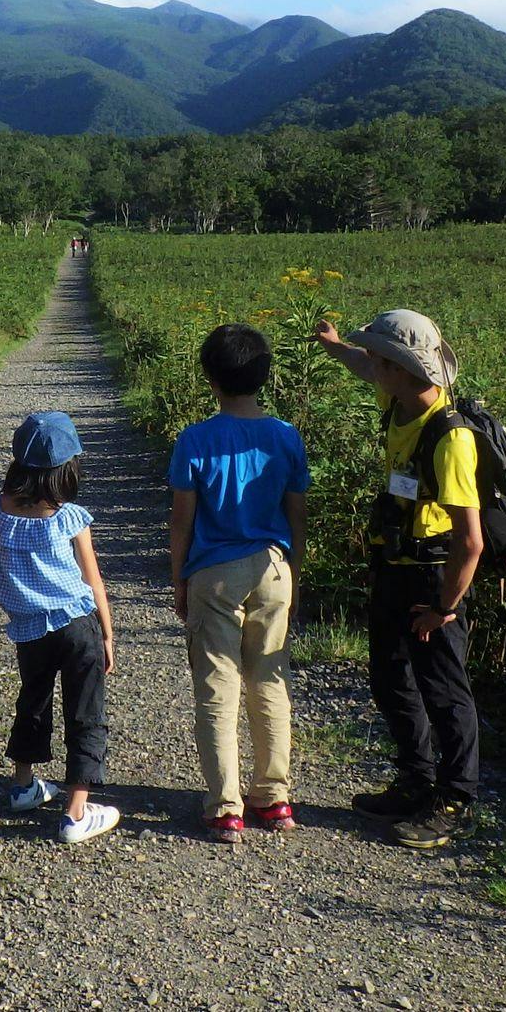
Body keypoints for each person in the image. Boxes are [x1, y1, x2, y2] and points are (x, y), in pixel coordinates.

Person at [310, 309, 484, 849]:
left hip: (434, 579)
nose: (373, 366)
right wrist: (334, 346)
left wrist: (446, 608)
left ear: (405, 370)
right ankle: (415, 779)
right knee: (390, 678)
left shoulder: (449, 438)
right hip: (395, 568)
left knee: (444, 690)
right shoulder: (400, 399)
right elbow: (362, 367)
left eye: (382, 359)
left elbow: (470, 541)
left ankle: (455, 798)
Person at [166, 323, 310, 843]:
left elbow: (182, 519)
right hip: (274, 566)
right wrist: (296, 572)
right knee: (270, 681)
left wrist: (179, 577)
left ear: (210, 378)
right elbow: (297, 515)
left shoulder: (195, 440)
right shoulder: (286, 437)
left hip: (214, 572)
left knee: (217, 686)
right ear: (264, 374)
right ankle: (274, 797)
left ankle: (225, 805)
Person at [0, 410, 120, 845]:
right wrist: (108, 632)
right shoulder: (71, 517)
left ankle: (24, 784)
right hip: (78, 625)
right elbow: (92, 578)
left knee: (34, 700)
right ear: (68, 468)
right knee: (85, 709)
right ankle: (76, 812)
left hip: (28, 630)